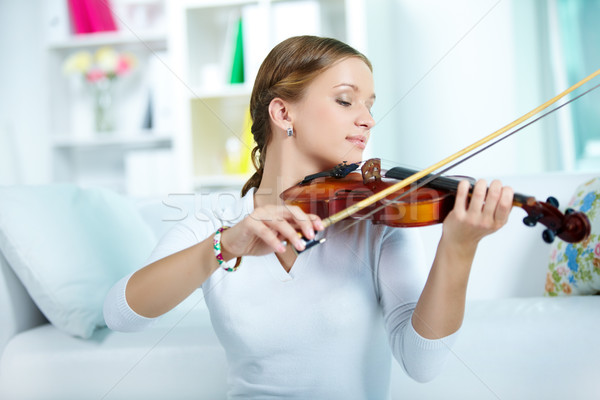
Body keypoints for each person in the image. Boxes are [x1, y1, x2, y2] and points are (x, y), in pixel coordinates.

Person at [104, 35, 514, 398]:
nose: (367, 119)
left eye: (370, 105)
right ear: (283, 114)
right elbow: (121, 315)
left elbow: (421, 365)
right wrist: (225, 245)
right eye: (344, 100)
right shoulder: (216, 220)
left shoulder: (378, 219)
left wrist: (458, 249)